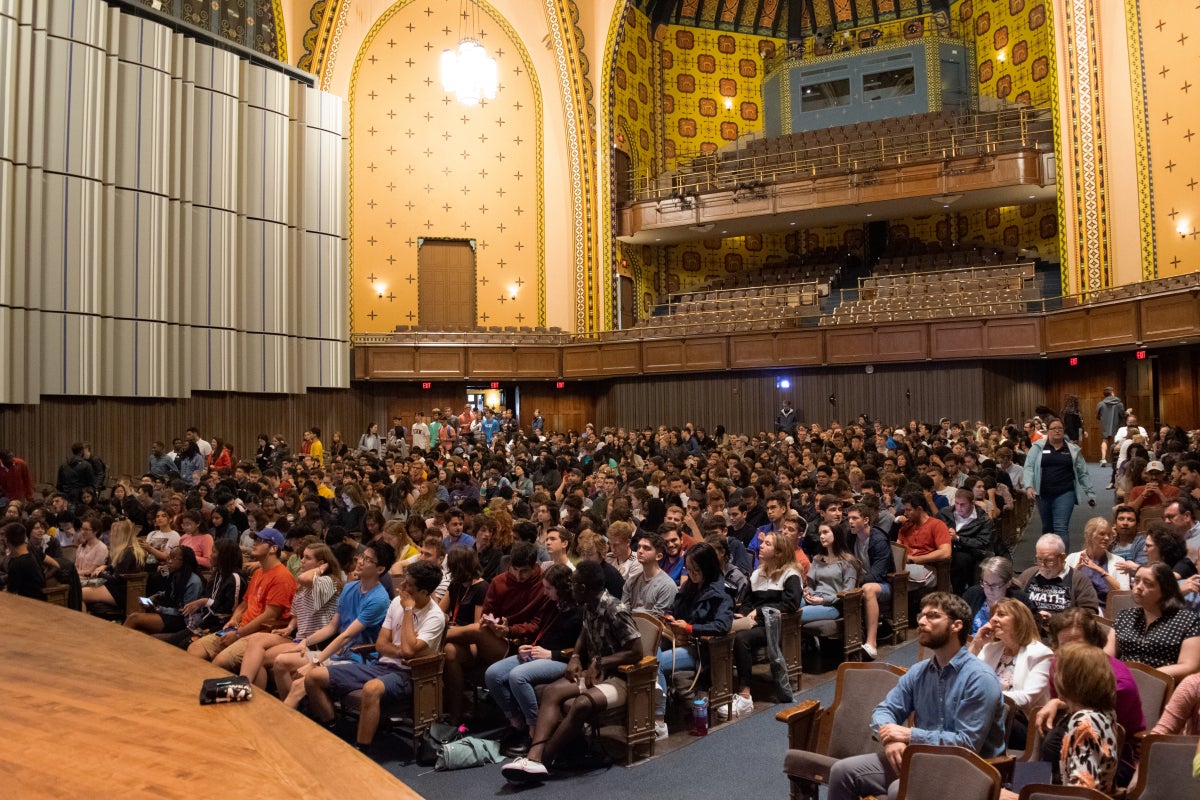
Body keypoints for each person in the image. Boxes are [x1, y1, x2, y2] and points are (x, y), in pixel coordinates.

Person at [826, 593, 1006, 800]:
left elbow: (967, 744)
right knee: (843, 771)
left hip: (970, 769)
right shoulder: (919, 671)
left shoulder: (979, 678)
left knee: (898, 790)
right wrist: (891, 740)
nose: (921, 621)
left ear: (956, 625)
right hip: (922, 759)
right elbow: (884, 710)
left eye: (933, 616)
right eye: (921, 615)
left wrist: (910, 736)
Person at [501, 560, 642, 782]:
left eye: (574, 584)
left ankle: (543, 759)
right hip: (595, 672)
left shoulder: (615, 609)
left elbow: (636, 651)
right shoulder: (588, 606)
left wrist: (601, 661)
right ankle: (536, 756)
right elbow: (584, 634)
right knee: (546, 691)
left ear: (584, 588)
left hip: (622, 677)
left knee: (582, 703)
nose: (571, 588)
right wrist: (576, 656)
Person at [305, 560, 446, 751]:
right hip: (380, 667)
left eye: (409, 585)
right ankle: (333, 728)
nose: (402, 587)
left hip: (410, 675)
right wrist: (399, 651)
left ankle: (362, 750)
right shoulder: (396, 602)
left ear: (424, 592)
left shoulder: (434, 617)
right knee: (314, 676)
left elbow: (409, 651)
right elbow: (381, 644)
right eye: (404, 581)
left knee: (371, 689)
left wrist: (408, 611)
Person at [442, 541, 548, 725]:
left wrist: (509, 630)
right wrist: (494, 624)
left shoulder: (543, 584)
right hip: (494, 637)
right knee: (450, 650)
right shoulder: (500, 581)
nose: (518, 575)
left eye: (523, 571)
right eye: (514, 569)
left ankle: (428, 639)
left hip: (521, 645)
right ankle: (456, 716)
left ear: (534, 567)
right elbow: (487, 614)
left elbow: (537, 625)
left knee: (477, 628)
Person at [486, 564, 582, 758]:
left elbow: (582, 651)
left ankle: (533, 729)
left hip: (562, 659)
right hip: (538, 652)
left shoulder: (579, 611)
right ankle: (516, 721)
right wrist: (525, 646)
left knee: (517, 675)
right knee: (493, 674)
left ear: (562, 588)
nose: (544, 592)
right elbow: (538, 628)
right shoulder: (550, 603)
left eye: (548, 588)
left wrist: (552, 655)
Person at [234, 542, 344, 688]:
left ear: (322, 563)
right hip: (299, 638)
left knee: (260, 659)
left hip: (316, 645)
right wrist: (289, 628)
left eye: (307, 558)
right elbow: (296, 615)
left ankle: (247, 690)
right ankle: (243, 686)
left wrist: (320, 569)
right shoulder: (303, 587)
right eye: (302, 557)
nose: (302, 561)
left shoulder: (329, 582)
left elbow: (305, 578)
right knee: (255, 640)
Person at [187, 528, 297, 672]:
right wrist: (234, 618)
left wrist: (239, 634)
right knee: (194, 649)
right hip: (241, 627)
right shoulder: (258, 572)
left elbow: (270, 615)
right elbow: (245, 603)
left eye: (260, 541)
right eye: (255, 539)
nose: (254, 543)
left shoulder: (282, 577)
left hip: (260, 634)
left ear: (273, 548)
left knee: (220, 661)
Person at [653, 542, 733, 739]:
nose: (691, 573)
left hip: (699, 649)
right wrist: (669, 617)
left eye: (696, 570)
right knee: (646, 651)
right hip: (678, 640)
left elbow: (722, 626)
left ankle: (659, 720)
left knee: (652, 664)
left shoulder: (721, 592)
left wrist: (689, 628)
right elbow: (674, 607)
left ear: (707, 567)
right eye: (688, 569)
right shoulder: (690, 586)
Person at [731, 531, 803, 716]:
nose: (761, 546)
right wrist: (744, 615)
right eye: (763, 543)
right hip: (755, 622)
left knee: (742, 639)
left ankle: (745, 694)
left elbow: (790, 604)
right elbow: (747, 601)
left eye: (768, 544)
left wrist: (761, 612)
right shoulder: (757, 574)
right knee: (723, 632)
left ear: (779, 553)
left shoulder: (790, 574)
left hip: (776, 625)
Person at [968, 598, 1053, 747]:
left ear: (1020, 620)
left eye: (1001, 614)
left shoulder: (1040, 654)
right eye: (993, 615)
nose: (993, 619)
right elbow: (966, 680)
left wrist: (982, 697)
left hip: (1022, 723)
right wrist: (976, 644)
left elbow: (1026, 698)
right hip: (987, 716)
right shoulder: (990, 649)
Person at [1105, 562, 1200, 678]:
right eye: (1136, 581)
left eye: (1147, 583)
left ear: (1165, 589)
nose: (1138, 587)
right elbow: (1107, 655)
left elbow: (1189, 666)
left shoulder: (1188, 621)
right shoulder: (1125, 616)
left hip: (1161, 686)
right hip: (1122, 681)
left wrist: (1146, 677)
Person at [1023, 417, 1096, 551]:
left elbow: (1082, 472)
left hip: (1065, 492)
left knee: (1061, 527)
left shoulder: (1073, 450)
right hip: (1043, 493)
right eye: (1054, 428)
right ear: (1048, 431)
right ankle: (1046, 557)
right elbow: (1028, 467)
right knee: (1047, 528)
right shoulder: (1038, 447)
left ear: (1063, 431)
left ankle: (1063, 561)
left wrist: (1090, 493)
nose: (1057, 431)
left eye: (1060, 428)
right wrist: (1028, 486)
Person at [1017, 533, 1101, 622]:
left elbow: (1090, 613)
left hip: (1064, 632)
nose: (1042, 565)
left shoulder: (1078, 579)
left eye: (1049, 560)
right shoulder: (1028, 575)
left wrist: (1056, 619)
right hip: (1029, 630)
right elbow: (1010, 602)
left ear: (1062, 557)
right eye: (1039, 559)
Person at [846, 503, 892, 660]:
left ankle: (871, 643)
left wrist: (853, 582)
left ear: (865, 520)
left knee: (868, 589)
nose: (850, 522)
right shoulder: (850, 536)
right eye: (849, 518)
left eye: (854, 518)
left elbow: (877, 574)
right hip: (859, 581)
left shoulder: (878, 540)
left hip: (884, 584)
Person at [937, 487, 997, 595]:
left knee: (961, 559)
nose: (959, 507)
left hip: (970, 551)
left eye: (963, 504)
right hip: (946, 548)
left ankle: (960, 594)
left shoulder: (983, 519)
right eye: (957, 503)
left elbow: (982, 542)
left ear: (972, 503)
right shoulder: (945, 513)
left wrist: (958, 538)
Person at [1065, 517, 1130, 608]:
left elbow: (1125, 593)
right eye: (1102, 534)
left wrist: (1101, 571)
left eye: (1109, 534)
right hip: (1077, 610)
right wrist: (1075, 571)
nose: (1107, 538)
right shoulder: (1072, 558)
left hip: (1106, 612)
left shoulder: (1119, 561)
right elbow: (1061, 589)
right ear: (1089, 535)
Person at [963, 556, 1032, 636]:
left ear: (1008, 583)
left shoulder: (1020, 600)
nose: (989, 589)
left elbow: (1028, 632)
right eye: (986, 583)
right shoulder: (973, 594)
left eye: (995, 585)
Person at [895, 491, 952, 586]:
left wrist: (916, 559)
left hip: (926, 568)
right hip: (904, 565)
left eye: (908, 510)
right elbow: (898, 547)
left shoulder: (937, 525)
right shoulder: (906, 526)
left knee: (897, 576)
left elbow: (945, 552)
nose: (905, 513)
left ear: (919, 509)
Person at [622, 531, 677, 616]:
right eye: (639, 547)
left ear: (658, 556)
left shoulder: (667, 586)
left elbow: (657, 620)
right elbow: (624, 611)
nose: (640, 551)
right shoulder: (631, 581)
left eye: (646, 548)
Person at [3, 522, 46, 600]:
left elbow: (10, 592)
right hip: (39, 600)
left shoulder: (17, 563)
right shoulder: (32, 554)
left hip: (27, 604)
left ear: (7, 541)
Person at [1096, 387, 1125, 467]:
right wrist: (1128, 412)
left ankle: (1103, 459)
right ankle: (1116, 459)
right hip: (1117, 424)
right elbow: (1123, 414)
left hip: (1105, 424)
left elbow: (1097, 416)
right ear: (1112, 393)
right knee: (1117, 441)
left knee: (1105, 440)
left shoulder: (1100, 404)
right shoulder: (1119, 403)